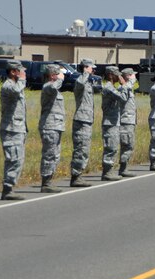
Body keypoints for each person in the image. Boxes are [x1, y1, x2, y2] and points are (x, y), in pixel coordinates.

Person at [0, 60, 27, 200]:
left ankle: (9, 188)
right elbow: (16, 91)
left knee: (18, 159)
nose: (23, 73)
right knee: (13, 159)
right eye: (20, 71)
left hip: (18, 128)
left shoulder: (16, 85)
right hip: (10, 129)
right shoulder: (8, 86)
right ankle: (7, 189)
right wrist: (22, 80)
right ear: (12, 72)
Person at [38, 64, 66, 193]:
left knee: (55, 154)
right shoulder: (48, 86)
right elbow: (54, 86)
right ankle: (46, 183)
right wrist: (60, 78)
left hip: (56, 126)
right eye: (57, 74)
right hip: (49, 126)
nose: (60, 76)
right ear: (51, 75)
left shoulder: (54, 88)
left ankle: (49, 180)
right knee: (49, 154)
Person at [70, 58, 97, 187]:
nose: (94, 70)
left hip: (87, 120)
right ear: (86, 67)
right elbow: (80, 83)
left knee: (84, 149)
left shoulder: (88, 83)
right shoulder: (80, 81)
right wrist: (86, 72)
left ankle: (78, 175)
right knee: (81, 148)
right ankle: (75, 177)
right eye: (92, 68)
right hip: (81, 120)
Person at [100, 66, 128, 181]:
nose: (119, 77)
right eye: (117, 74)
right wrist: (124, 85)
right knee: (110, 147)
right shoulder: (108, 88)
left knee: (113, 147)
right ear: (111, 75)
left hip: (113, 122)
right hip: (109, 123)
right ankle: (107, 172)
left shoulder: (112, 87)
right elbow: (123, 98)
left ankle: (109, 171)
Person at [119, 68, 138, 177]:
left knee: (129, 145)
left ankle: (124, 168)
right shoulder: (123, 88)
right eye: (133, 76)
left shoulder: (128, 88)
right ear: (128, 76)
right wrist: (130, 82)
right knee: (127, 144)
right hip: (125, 121)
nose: (135, 78)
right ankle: (123, 168)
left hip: (130, 121)